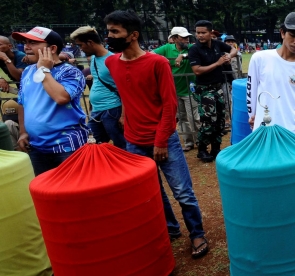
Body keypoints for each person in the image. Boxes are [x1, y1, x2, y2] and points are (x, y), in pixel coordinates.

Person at [104, 10, 209, 258]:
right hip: (133, 141)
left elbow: (170, 105)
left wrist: (160, 141)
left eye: (115, 31)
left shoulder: (157, 63)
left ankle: (197, 234)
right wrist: (123, 116)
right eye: (108, 31)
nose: (109, 36)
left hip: (163, 139)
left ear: (133, 35)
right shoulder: (111, 63)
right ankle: (171, 229)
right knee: (152, 192)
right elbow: (127, 95)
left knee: (182, 191)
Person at [12, 27, 87, 176]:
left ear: (52, 48)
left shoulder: (70, 72)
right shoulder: (28, 71)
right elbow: (22, 102)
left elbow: (61, 98)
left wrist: (44, 70)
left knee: (73, 191)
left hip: (67, 147)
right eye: (25, 42)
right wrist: (23, 132)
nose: (26, 47)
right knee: (46, 192)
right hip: (36, 147)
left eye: (32, 42)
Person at [247, 12, 295, 138]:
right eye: (293, 35)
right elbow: (251, 92)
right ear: (283, 33)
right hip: (265, 130)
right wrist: (253, 116)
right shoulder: (260, 58)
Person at [188, 20, 237, 162]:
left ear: (210, 33)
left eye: (203, 32)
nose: (200, 35)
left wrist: (229, 56)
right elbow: (197, 71)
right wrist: (218, 63)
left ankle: (216, 148)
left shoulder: (216, 44)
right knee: (208, 121)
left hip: (218, 88)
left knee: (220, 120)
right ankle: (202, 149)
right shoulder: (194, 49)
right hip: (204, 90)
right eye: (198, 33)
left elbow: (233, 49)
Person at [70, 26, 126, 149]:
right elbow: (98, 82)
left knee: (121, 145)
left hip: (112, 109)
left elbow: (124, 89)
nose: (81, 49)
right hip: (97, 110)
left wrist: (123, 115)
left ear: (90, 43)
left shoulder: (113, 60)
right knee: (92, 144)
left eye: (80, 45)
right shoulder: (94, 58)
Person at [153, 26, 201, 152]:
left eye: (187, 38)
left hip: (190, 90)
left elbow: (199, 50)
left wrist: (183, 55)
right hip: (174, 91)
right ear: (174, 39)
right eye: (183, 38)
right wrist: (163, 60)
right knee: (181, 118)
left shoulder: (191, 48)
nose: (186, 40)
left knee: (194, 117)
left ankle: (200, 140)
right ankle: (188, 142)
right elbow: (150, 55)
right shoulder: (167, 48)